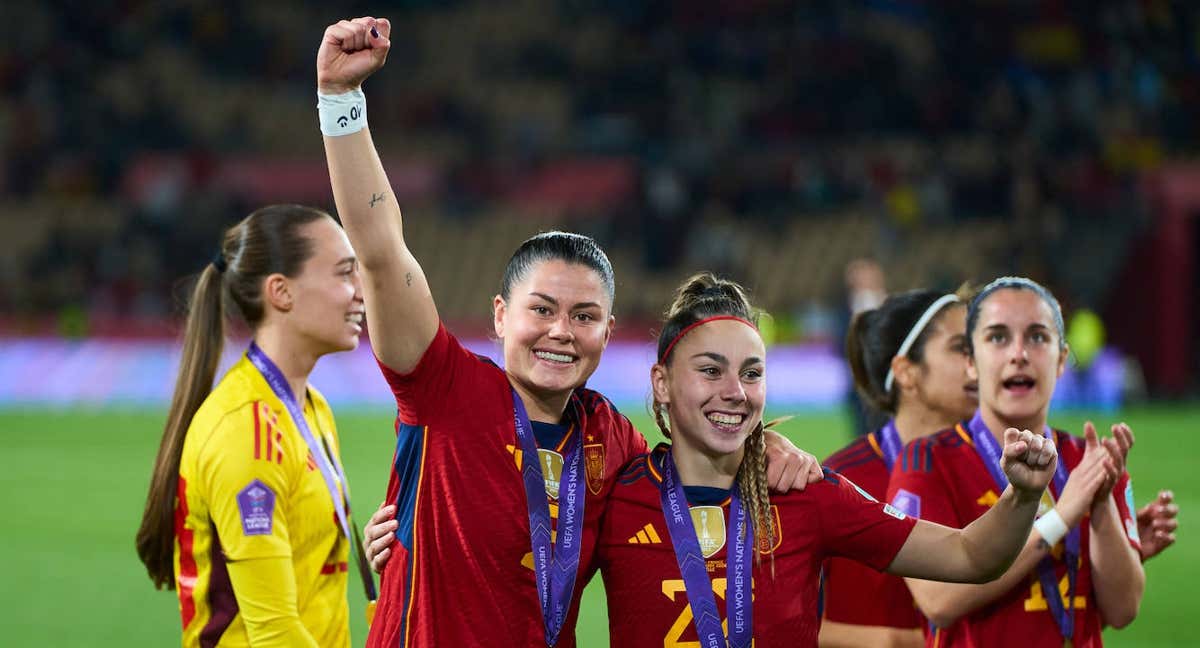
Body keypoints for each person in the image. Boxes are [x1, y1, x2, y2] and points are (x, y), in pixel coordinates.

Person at [315, 16, 820, 647]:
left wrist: (761, 448)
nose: (560, 332)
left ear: (607, 334)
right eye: (542, 310)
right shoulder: (443, 388)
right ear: (501, 315)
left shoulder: (613, 438)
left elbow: (695, 470)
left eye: (583, 317)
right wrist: (341, 102)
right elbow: (382, 249)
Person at [594, 272, 1072, 647]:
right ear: (661, 383)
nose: (735, 392)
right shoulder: (616, 494)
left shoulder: (808, 493)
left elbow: (969, 555)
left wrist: (1024, 494)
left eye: (752, 372)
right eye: (710, 371)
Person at [135, 205, 372, 647]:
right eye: (344, 274)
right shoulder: (245, 432)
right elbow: (274, 632)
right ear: (281, 292)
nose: (361, 291)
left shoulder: (312, 407)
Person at [888, 276, 1145, 647]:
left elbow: (1122, 610)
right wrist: (1063, 516)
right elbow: (938, 601)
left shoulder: (1090, 461)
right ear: (971, 363)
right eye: (997, 337)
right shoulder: (925, 461)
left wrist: (1101, 505)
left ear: (1060, 360)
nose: (1019, 353)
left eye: (1038, 337)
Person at [819, 288, 976, 647]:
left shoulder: (1001, 471)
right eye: (960, 348)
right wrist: (897, 642)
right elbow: (777, 620)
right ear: (907, 372)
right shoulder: (841, 481)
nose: (978, 363)